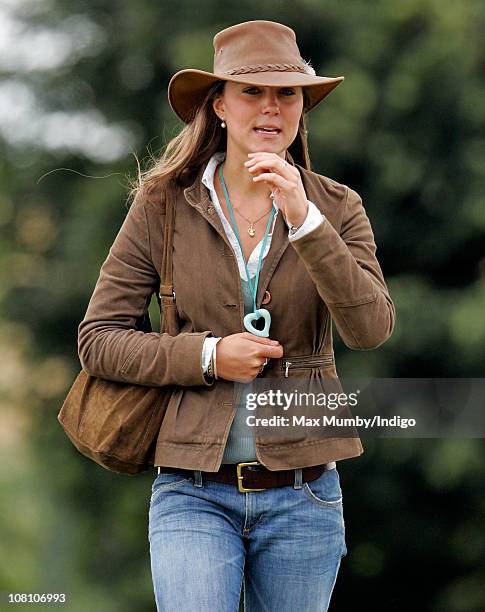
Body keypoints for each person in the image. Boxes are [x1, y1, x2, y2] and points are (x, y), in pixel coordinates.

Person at [78, 20, 395, 612]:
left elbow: (371, 329)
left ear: (302, 107)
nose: (271, 107)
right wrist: (207, 356)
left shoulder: (336, 207)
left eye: (287, 93)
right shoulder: (161, 205)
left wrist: (305, 223)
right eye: (252, 91)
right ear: (219, 104)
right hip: (191, 492)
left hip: (306, 494)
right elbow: (99, 340)